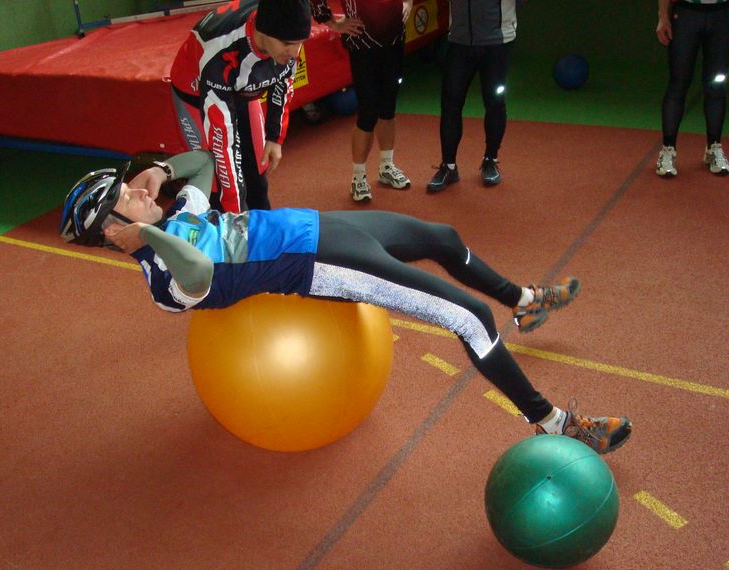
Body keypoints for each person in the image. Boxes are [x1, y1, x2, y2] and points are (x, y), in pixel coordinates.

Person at [59, 150, 633, 454]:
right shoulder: (163, 280)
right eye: (125, 197)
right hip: (321, 264)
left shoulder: (177, 213)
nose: (137, 191)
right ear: (113, 232)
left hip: (324, 225)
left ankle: (524, 300)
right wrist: (147, 235)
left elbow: (204, 162)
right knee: (470, 317)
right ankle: (553, 423)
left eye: (129, 185)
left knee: (441, 237)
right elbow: (201, 270)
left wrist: (160, 171)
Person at [169, 0, 313, 212]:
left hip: (241, 86)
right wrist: (236, 218)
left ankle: (261, 226)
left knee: (257, 177)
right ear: (263, 32)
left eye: (300, 43)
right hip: (197, 94)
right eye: (287, 44)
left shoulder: (287, 35)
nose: (294, 52)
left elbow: (283, 81)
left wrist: (275, 136)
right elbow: (223, 144)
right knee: (218, 185)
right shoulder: (220, 53)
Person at [309, 0, 413, 202]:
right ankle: (358, 177)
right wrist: (333, 23)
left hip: (394, 40)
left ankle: (386, 166)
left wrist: (408, 3)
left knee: (388, 108)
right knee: (368, 112)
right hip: (362, 44)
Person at [427, 0, 520, 192]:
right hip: (459, 40)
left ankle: (490, 160)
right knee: (450, 103)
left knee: (494, 102)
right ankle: (449, 166)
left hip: (497, 41)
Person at [655, 0, 729, 177]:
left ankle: (714, 148)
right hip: (686, 14)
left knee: (716, 86)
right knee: (678, 82)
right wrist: (663, 16)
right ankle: (667, 150)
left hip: (721, 16)